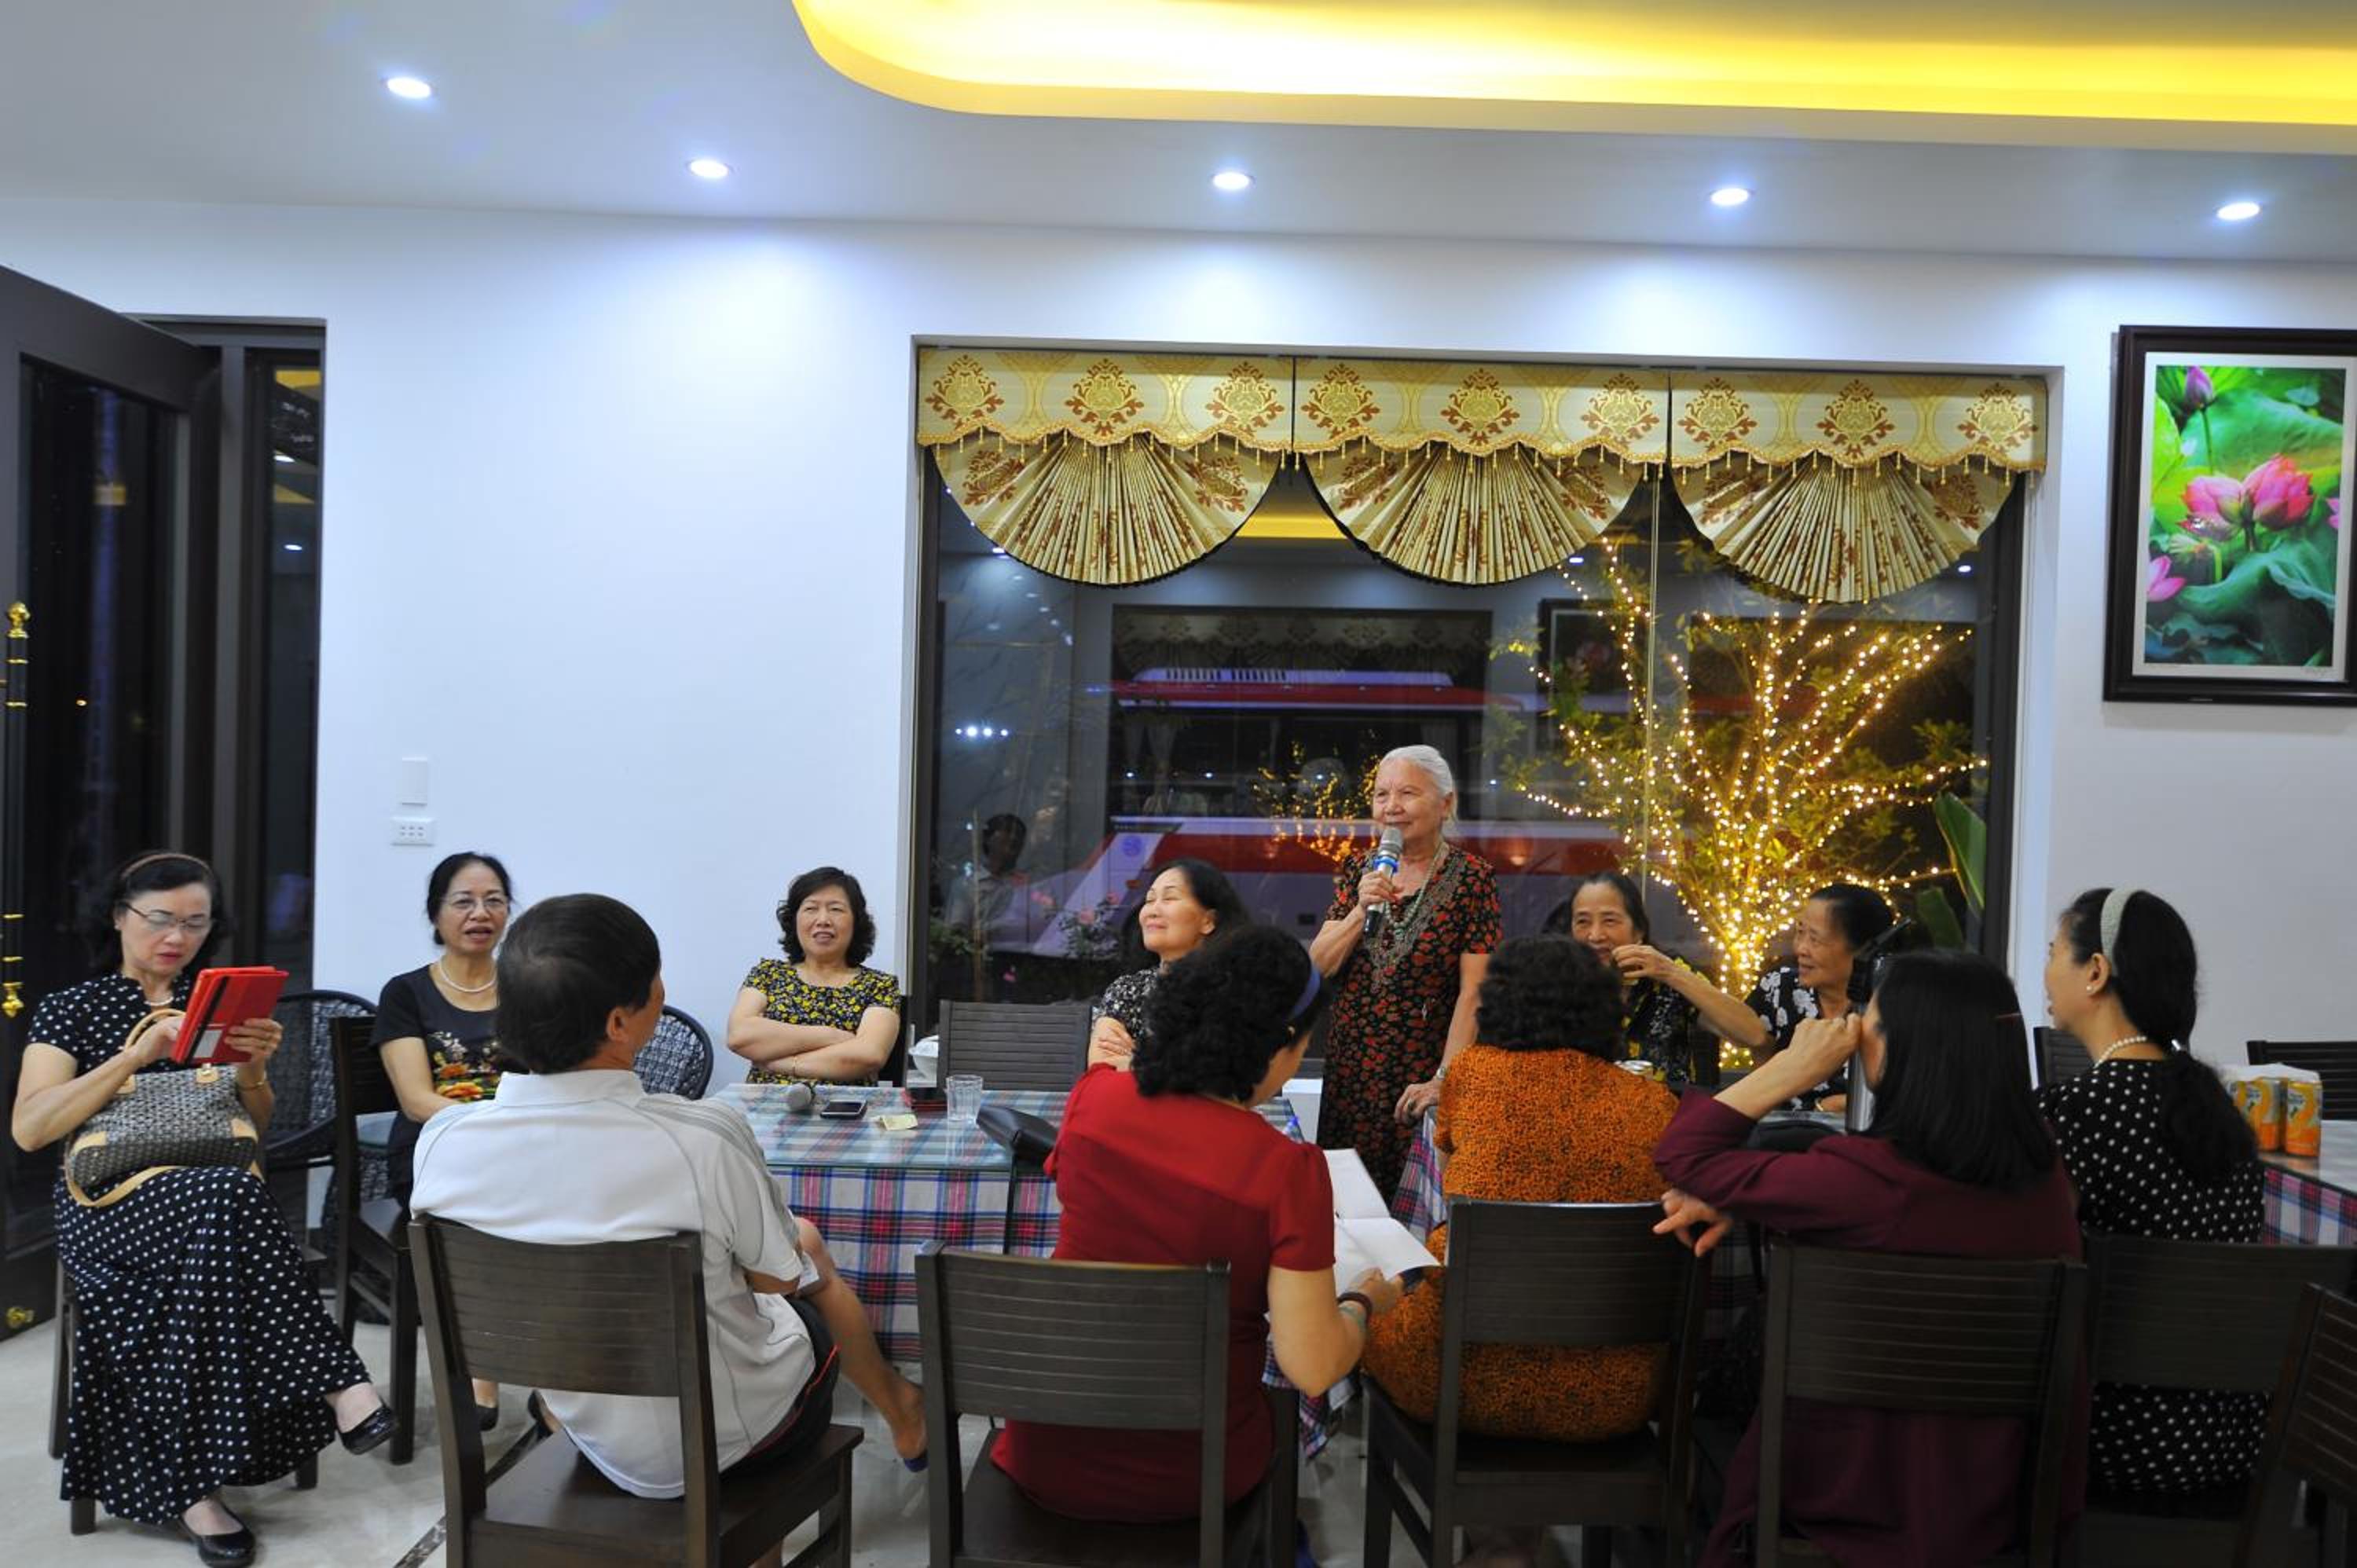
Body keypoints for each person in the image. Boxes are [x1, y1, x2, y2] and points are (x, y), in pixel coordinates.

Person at [411, 893, 928, 1519]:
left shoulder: (443, 1142)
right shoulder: (702, 1136)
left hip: (589, 1427)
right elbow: (776, 1279)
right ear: (618, 1023)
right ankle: (860, 1446)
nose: (663, 991)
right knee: (804, 1304)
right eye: (654, 979)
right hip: (727, 1436)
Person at [11, 852, 393, 1566]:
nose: (176, 937)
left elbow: (254, 1125)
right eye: (160, 919)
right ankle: (341, 1385)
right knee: (230, 1196)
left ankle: (194, 1493)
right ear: (119, 916)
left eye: (195, 922)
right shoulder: (73, 1008)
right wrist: (135, 1057)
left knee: (225, 1199)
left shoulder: (217, 1000)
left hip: (213, 1209)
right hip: (110, 1206)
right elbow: (31, 1129)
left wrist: (253, 1067)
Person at [1653, 949, 2083, 1567]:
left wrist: (1792, 1066)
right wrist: (1749, 1200)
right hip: (1999, 1496)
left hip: (1854, 1495)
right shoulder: (2047, 1180)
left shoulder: (1868, 1183)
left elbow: (1684, 1154)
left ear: (1907, 1052)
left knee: (1713, 1416)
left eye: (1868, 1026)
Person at [993, 926, 1406, 1522]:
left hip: (1046, 1454)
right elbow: (1312, 1365)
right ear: (1281, 1044)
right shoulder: (1287, 1170)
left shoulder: (1093, 1100)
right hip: (1196, 1476)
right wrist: (1363, 1302)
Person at [1362, 936, 1680, 1441]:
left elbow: (1450, 1188)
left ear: (1499, 1002)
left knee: (1365, 1299)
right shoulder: (1655, 1103)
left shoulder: (1473, 1074)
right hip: (1611, 1393)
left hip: (1455, 1379)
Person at [2039, 885, 2264, 1500]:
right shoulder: (2218, 1109)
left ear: (2095, 971)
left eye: (2053, 953)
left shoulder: (2075, 1110)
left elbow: (2030, 1264)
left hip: (2112, 1444)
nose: (2046, 971)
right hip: (2228, 1445)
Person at [1308, 745, 1500, 1199]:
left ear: (1446, 803)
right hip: (1352, 1075)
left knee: (1416, 1212)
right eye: (1381, 795)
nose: (1391, 806)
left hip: (1420, 1077)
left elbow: (1475, 992)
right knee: (1346, 1206)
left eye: (1407, 793)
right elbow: (1318, 965)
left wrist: (1443, 1080)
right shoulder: (1360, 870)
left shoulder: (1473, 878)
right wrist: (1361, 909)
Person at [372, 850, 513, 1426]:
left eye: (494, 901)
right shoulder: (406, 993)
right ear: (436, 914)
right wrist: (501, 1129)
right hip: (436, 1151)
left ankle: (565, 1387)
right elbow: (415, 1099)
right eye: (464, 902)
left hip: (517, 1149)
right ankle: (484, 1372)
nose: (480, 913)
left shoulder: (529, 989)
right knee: (497, 1204)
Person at [727, 866, 900, 1085]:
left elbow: (868, 1055)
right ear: (794, 920)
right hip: (766, 1104)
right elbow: (740, 1036)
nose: (823, 920)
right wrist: (833, 1036)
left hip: (845, 1104)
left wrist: (782, 1063)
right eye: (811, 908)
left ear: (856, 922)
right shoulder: (768, 974)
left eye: (836, 909)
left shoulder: (879, 985)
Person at [1085, 858, 1249, 1071]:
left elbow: (1231, 1072)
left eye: (1169, 898)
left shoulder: (1236, 990)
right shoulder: (1127, 990)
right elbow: (1103, 1068)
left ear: (1208, 921)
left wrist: (1138, 1064)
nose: (1152, 910)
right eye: (1149, 900)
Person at [1547, 870, 1706, 1085]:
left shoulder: (1668, 974)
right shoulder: (1555, 985)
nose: (1595, 936)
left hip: (1668, 1105)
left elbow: (1749, 1033)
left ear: (1639, 930)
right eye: (1583, 922)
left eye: (1609, 921)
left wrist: (1671, 973)